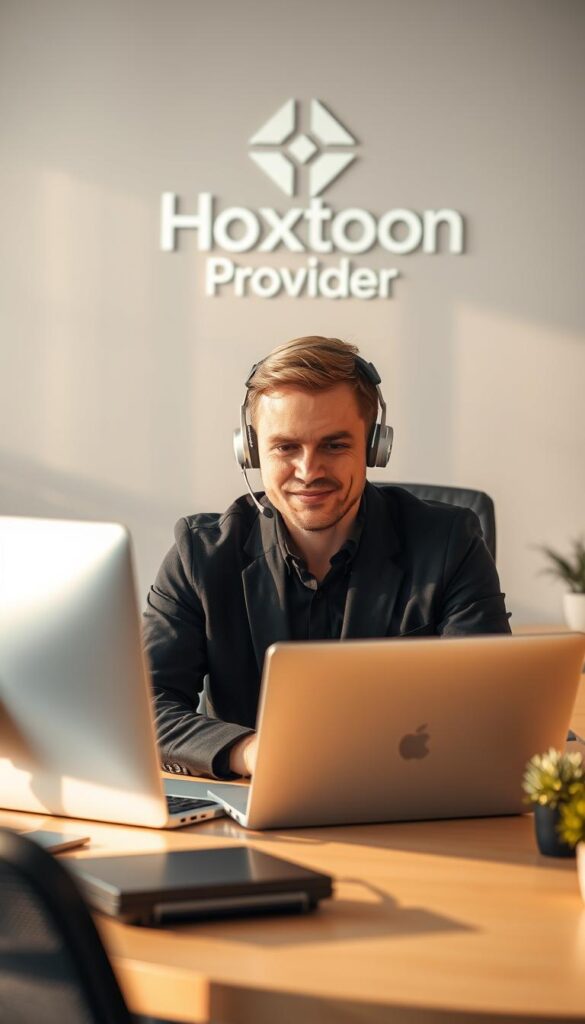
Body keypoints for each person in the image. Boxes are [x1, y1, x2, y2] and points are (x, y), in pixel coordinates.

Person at [143, 336, 511, 780]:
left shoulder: (451, 541)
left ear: (376, 447)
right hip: (253, 804)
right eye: (285, 447)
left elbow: (492, 702)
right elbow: (144, 704)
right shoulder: (199, 554)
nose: (308, 470)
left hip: (405, 796)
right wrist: (251, 752)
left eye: (334, 445)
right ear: (251, 450)